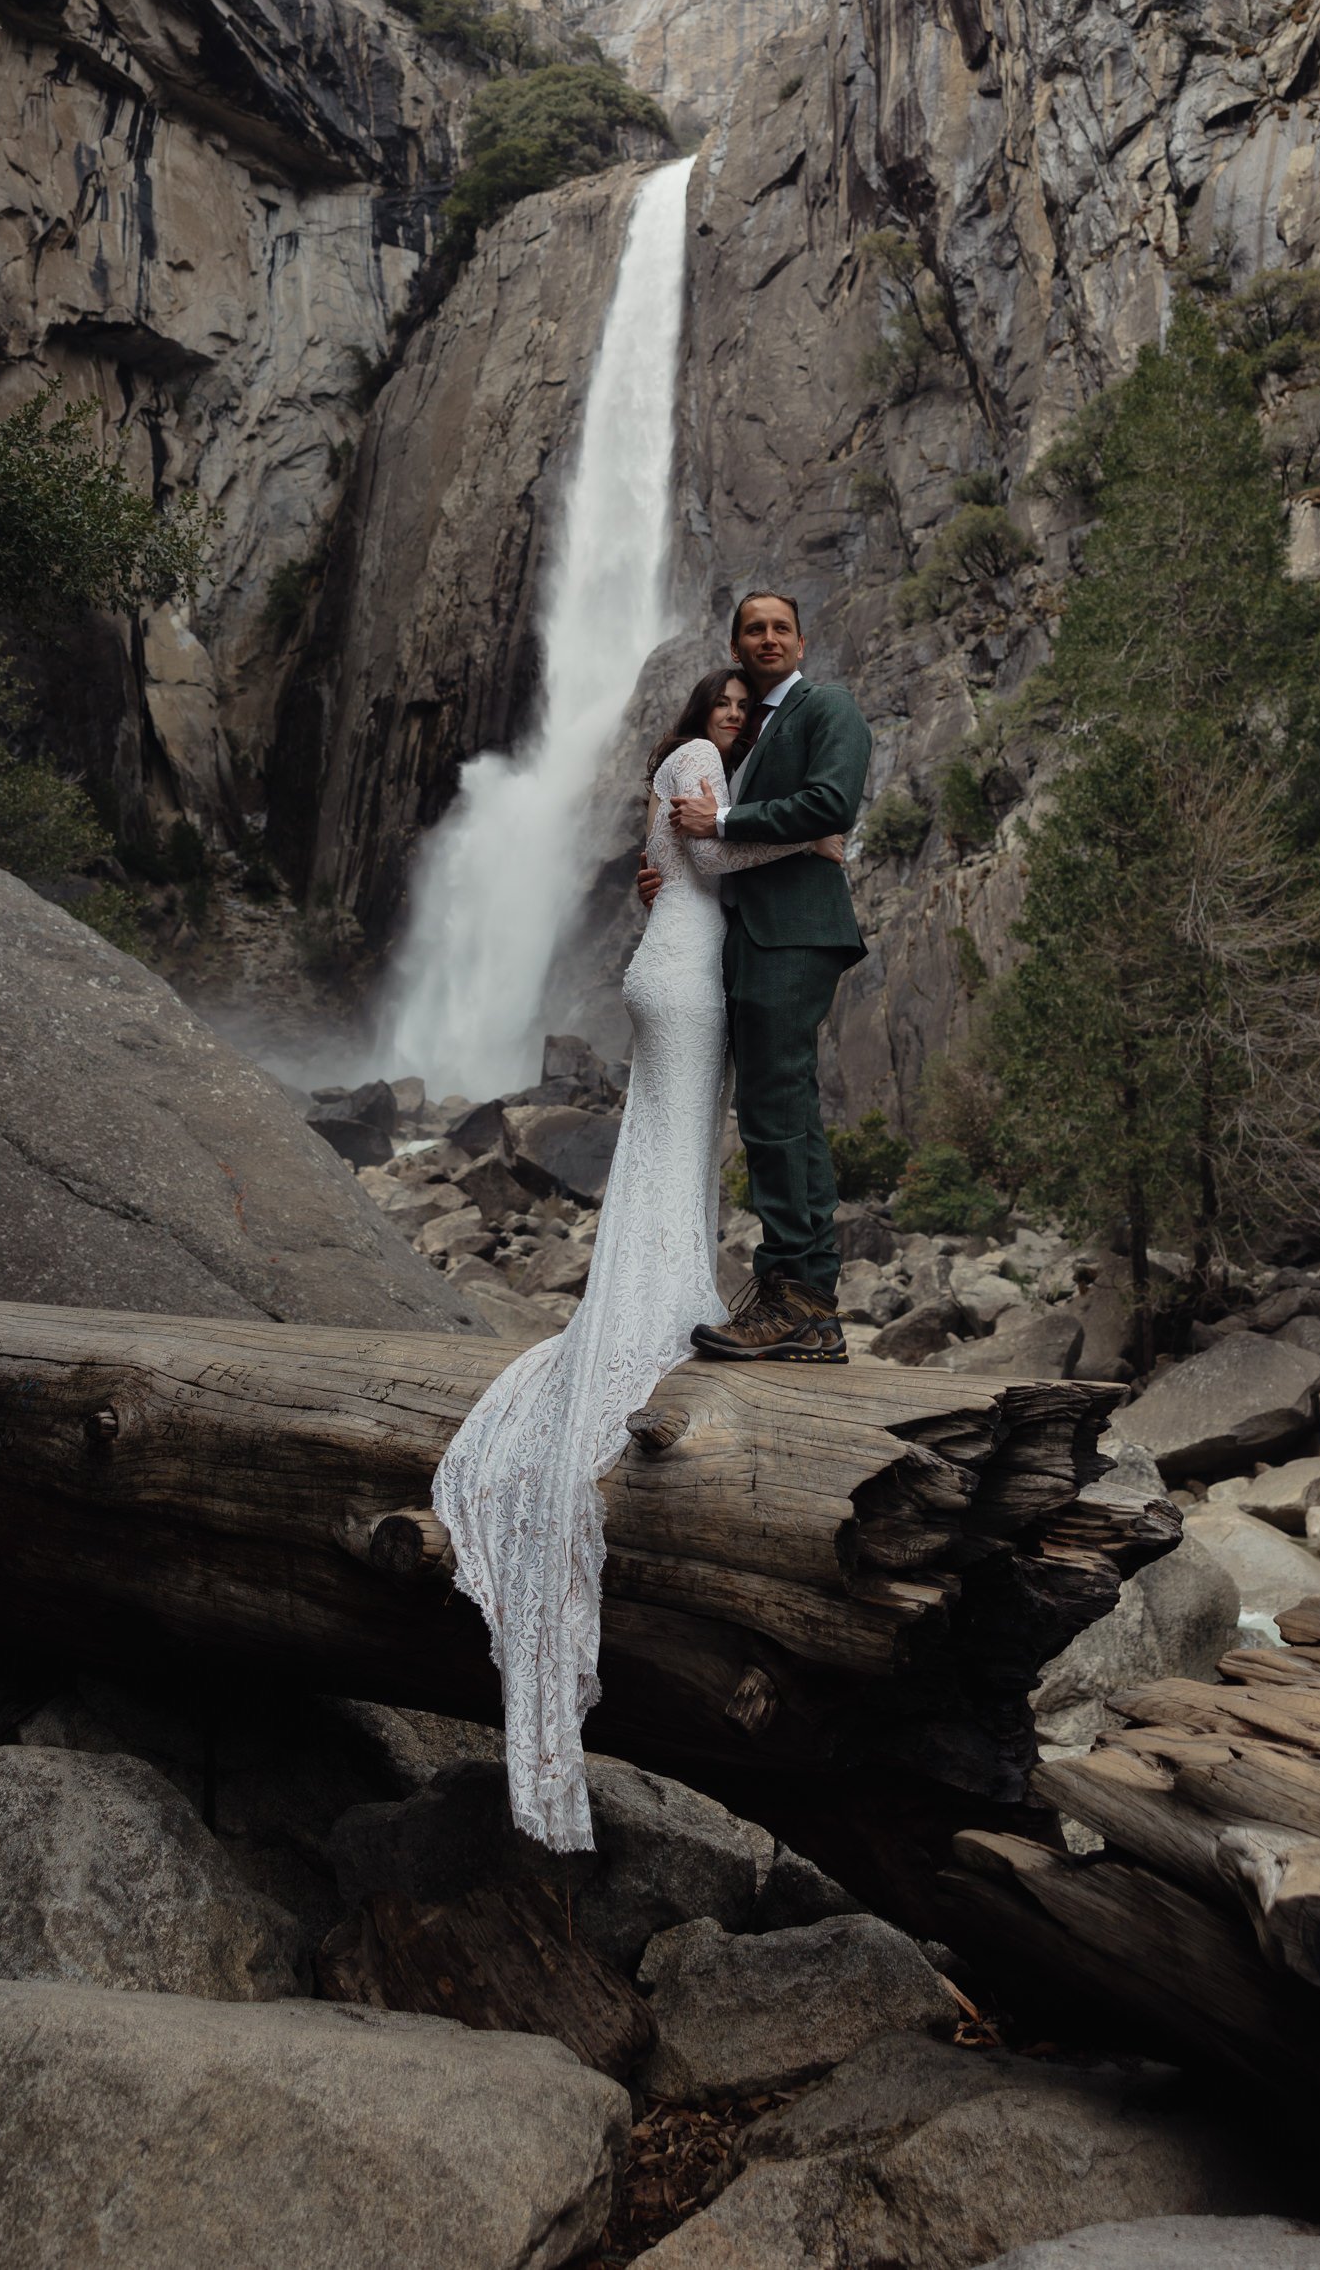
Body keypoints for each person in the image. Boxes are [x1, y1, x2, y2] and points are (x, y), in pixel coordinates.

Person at [431, 666, 844, 1850]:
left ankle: (668, 1291)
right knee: (677, 1143)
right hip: (684, 979)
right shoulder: (704, 768)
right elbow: (708, 863)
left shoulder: (694, 773)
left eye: (735, 703)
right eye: (715, 700)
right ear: (696, 718)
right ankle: (661, 1303)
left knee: (673, 1147)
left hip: (672, 963)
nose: (726, 713)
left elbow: (676, 865)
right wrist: (812, 843)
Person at [642, 590, 872, 1365]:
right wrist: (670, 881)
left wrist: (726, 824)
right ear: (736, 645)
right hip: (746, 936)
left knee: (777, 1112)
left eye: (779, 627)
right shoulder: (736, 738)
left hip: (794, 935)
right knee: (778, 1113)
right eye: (753, 629)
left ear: (801, 642)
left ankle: (797, 1302)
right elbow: (712, 841)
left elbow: (831, 801)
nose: (767, 638)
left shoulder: (824, 706)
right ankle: (801, 1299)